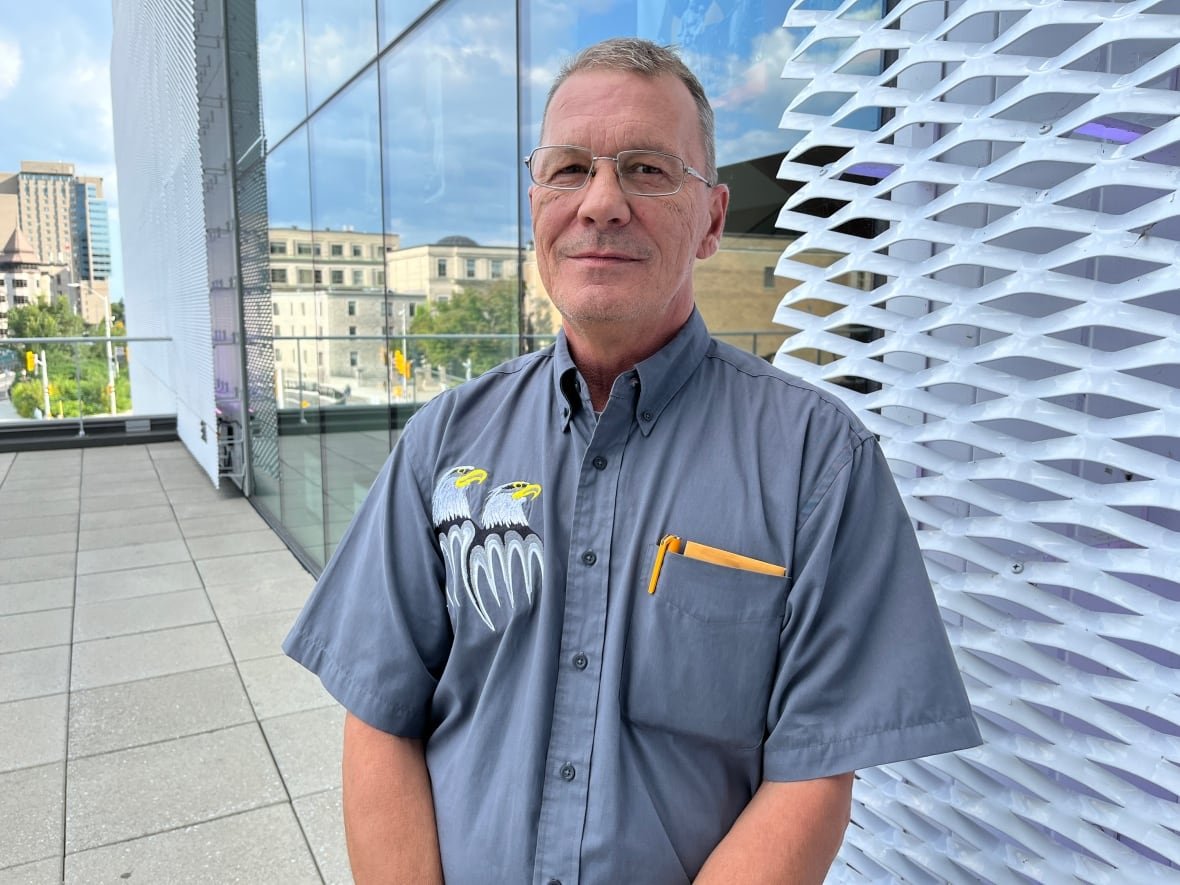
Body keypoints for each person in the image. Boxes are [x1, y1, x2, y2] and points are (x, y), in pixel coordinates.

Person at [284, 37, 981, 885]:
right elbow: (381, 715)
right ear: (536, 197)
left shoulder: (819, 464)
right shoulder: (444, 441)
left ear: (714, 220)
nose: (601, 202)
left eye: (648, 169)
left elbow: (812, 775)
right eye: (570, 168)